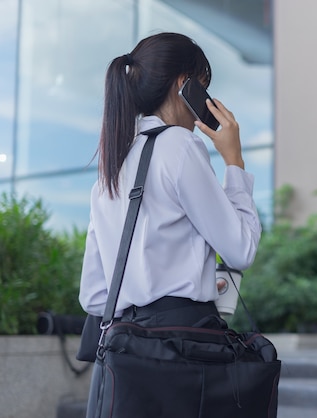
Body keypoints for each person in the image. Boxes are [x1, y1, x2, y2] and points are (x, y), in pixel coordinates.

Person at [79, 32, 261, 406]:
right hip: (184, 349)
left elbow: (95, 295)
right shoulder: (179, 145)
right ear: (184, 84)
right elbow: (241, 249)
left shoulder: (110, 167)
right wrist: (234, 162)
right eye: (202, 90)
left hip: (127, 355)